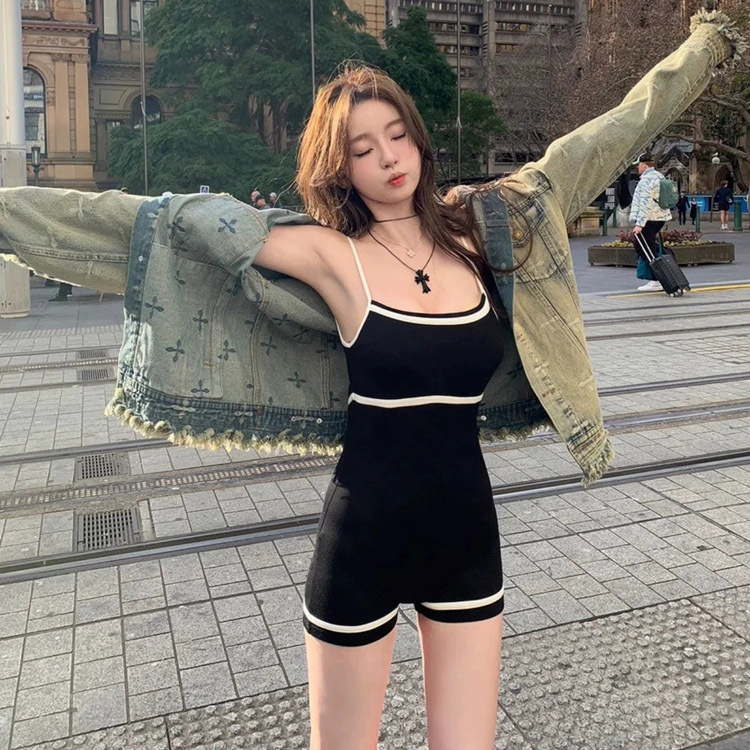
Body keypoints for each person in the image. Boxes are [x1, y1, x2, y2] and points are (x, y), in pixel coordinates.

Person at [0, 11, 744, 749]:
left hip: (465, 535)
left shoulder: (485, 228)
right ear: (341, 168)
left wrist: (705, 47)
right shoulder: (332, 254)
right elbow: (165, 226)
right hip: (362, 539)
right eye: (362, 148)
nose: (388, 157)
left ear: (418, 138)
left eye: (397, 135)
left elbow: (606, 137)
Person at [629, 152, 674, 291]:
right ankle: (658, 277)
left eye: (638, 165)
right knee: (649, 247)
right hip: (659, 217)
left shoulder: (646, 181)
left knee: (643, 247)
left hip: (650, 218)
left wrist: (639, 224)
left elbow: (645, 203)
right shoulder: (659, 176)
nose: (637, 168)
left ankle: (657, 279)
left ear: (644, 165)